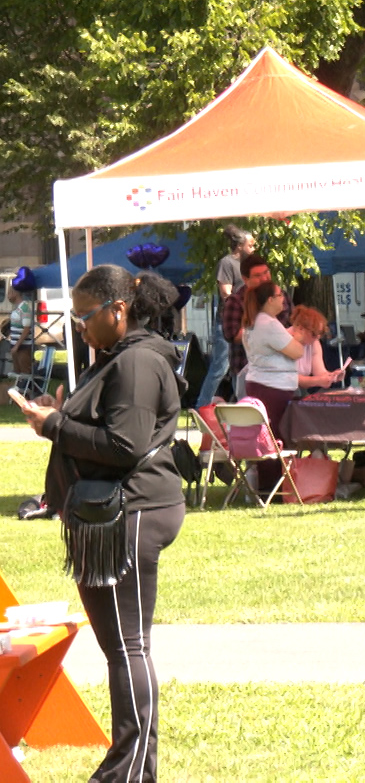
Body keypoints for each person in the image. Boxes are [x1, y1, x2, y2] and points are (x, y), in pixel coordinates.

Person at [16, 267, 184, 783]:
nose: (80, 325)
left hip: (130, 512)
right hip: (115, 515)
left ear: (118, 310)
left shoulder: (135, 362)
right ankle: (128, 763)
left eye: (86, 315)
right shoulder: (117, 357)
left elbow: (124, 445)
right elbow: (109, 426)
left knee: (127, 646)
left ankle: (133, 769)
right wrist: (58, 413)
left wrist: (56, 426)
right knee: (121, 646)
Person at [241, 280, 313, 430]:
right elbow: (297, 352)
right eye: (280, 295)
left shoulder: (255, 322)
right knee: (277, 434)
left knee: (267, 433)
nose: (283, 299)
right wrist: (298, 338)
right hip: (273, 388)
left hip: (261, 383)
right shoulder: (269, 324)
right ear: (270, 300)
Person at [197, 225, 252, 407]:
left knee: (242, 367)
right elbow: (226, 293)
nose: (253, 249)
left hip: (245, 322)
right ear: (239, 246)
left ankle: (241, 404)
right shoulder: (227, 263)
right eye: (250, 246)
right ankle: (202, 406)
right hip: (227, 322)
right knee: (220, 368)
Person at [219, 254, 272, 389]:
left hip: (280, 370)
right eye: (258, 276)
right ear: (245, 279)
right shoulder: (235, 301)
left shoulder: (280, 296)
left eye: (266, 273)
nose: (264, 279)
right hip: (247, 372)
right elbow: (233, 336)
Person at [289, 305, 345, 392]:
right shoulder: (284, 340)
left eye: (321, 333)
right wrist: (318, 381)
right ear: (300, 328)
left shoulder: (314, 343)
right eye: (314, 334)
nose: (318, 337)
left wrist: (332, 376)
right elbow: (291, 378)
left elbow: (320, 371)